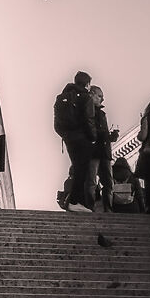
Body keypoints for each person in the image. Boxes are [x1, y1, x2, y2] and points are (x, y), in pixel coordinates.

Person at [54, 71, 96, 210]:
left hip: (68, 138)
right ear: (87, 84)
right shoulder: (86, 97)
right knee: (82, 169)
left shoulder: (61, 97)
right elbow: (89, 120)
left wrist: (65, 135)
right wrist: (93, 137)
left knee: (77, 167)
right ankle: (74, 201)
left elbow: (56, 123)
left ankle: (75, 202)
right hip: (82, 138)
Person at [85, 83, 114, 211]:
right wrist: (105, 135)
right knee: (91, 181)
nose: (102, 99)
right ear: (91, 95)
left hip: (104, 151)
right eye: (99, 96)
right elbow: (89, 129)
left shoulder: (102, 114)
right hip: (93, 150)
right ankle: (90, 207)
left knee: (108, 182)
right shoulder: (86, 110)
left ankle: (108, 209)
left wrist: (110, 136)